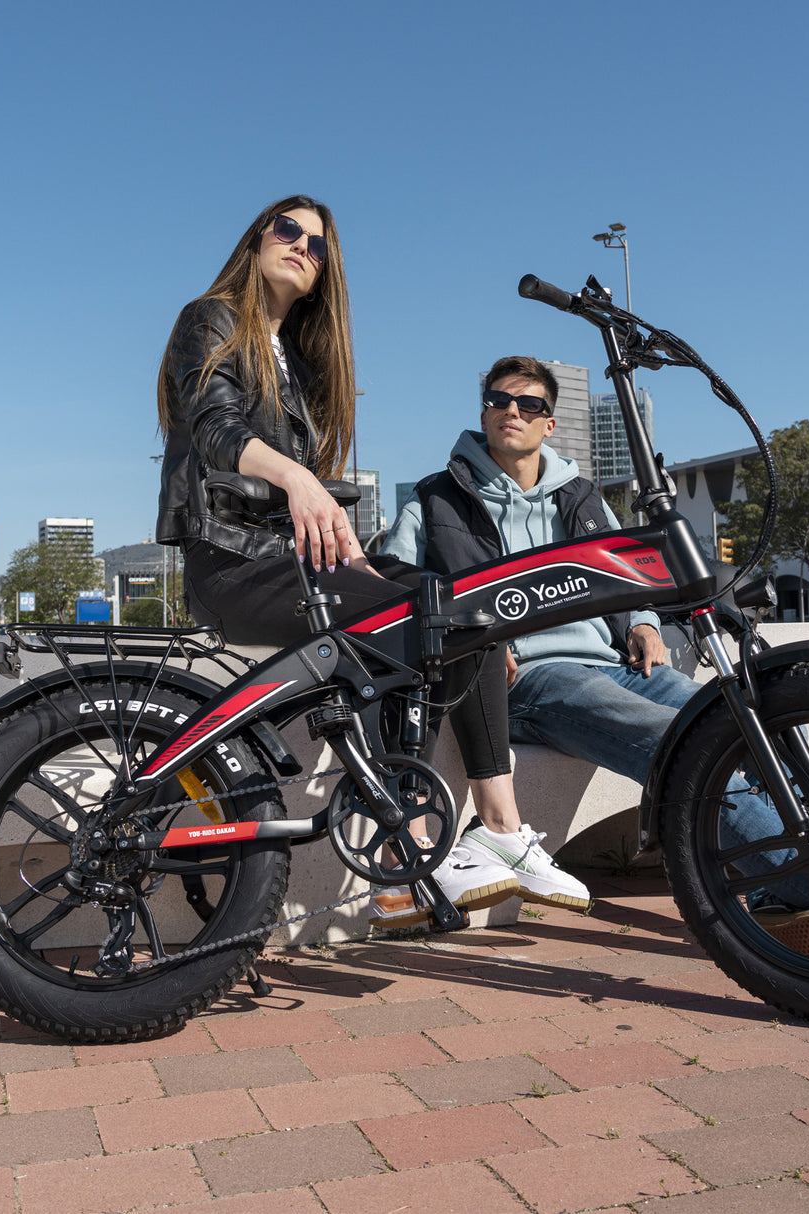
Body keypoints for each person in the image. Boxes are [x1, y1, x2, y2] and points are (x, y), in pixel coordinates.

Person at [383, 355, 809, 955]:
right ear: (483, 410)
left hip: (617, 663)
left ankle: (772, 892)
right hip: (531, 678)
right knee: (685, 744)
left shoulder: (579, 497)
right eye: (500, 400)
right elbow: (396, 580)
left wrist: (646, 624)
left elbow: (630, 572)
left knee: (740, 721)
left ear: (549, 424)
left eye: (529, 405)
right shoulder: (437, 498)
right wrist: (474, 638)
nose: (512, 413)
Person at [155, 196, 528, 925]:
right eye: (286, 230)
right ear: (256, 239)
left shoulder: (293, 360)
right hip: (230, 564)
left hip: (293, 563)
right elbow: (212, 426)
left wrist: (342, 538)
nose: (300, 246)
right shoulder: (210, 320)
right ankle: (402, 856)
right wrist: (296, 479)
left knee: (456, 602)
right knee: (398, 615)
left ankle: (502, 833)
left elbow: (309, 508)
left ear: (327, 274)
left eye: (317, 245)